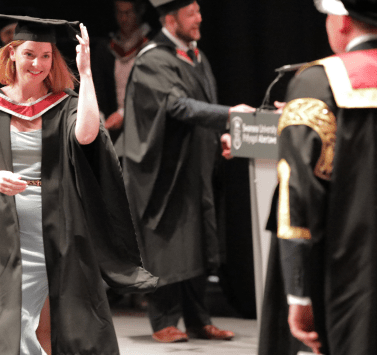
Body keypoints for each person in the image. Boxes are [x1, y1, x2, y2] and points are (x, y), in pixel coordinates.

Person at [0, 13, 159, 355]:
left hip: (58, 230)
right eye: (30, 54)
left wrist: (87, 73)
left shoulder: (64, 106)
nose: (38, 63)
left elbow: (88, 134)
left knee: (71, 327)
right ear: (12, 53)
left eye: (46, 56)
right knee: (3, 326)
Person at [121, 0, 255, 343]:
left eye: (198, 11)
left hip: (196, 167)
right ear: (170, 19)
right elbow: (176, 105)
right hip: (164, 171)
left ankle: (198, 319)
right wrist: (229, 114)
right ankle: (163, 319)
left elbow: (200, 110)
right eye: (191, 13)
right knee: (170, 243)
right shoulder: (153, 59)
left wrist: (223, 136)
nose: (199, 19)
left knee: (197, 241)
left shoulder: (196, 57)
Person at [274, 0, 377, 354]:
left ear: (344, 20)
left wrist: (299, 294)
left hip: (352, 281)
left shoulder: (319, 82)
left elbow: (299, 194)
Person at [91, 0, 153, 144]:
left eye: (128, 13)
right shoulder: (105, 48)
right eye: (119, 13)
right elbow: (98, 86)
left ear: (140, 11)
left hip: (145, 125)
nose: (123, 18)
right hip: (113, 127)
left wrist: (125, 114)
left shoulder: (152, 46)